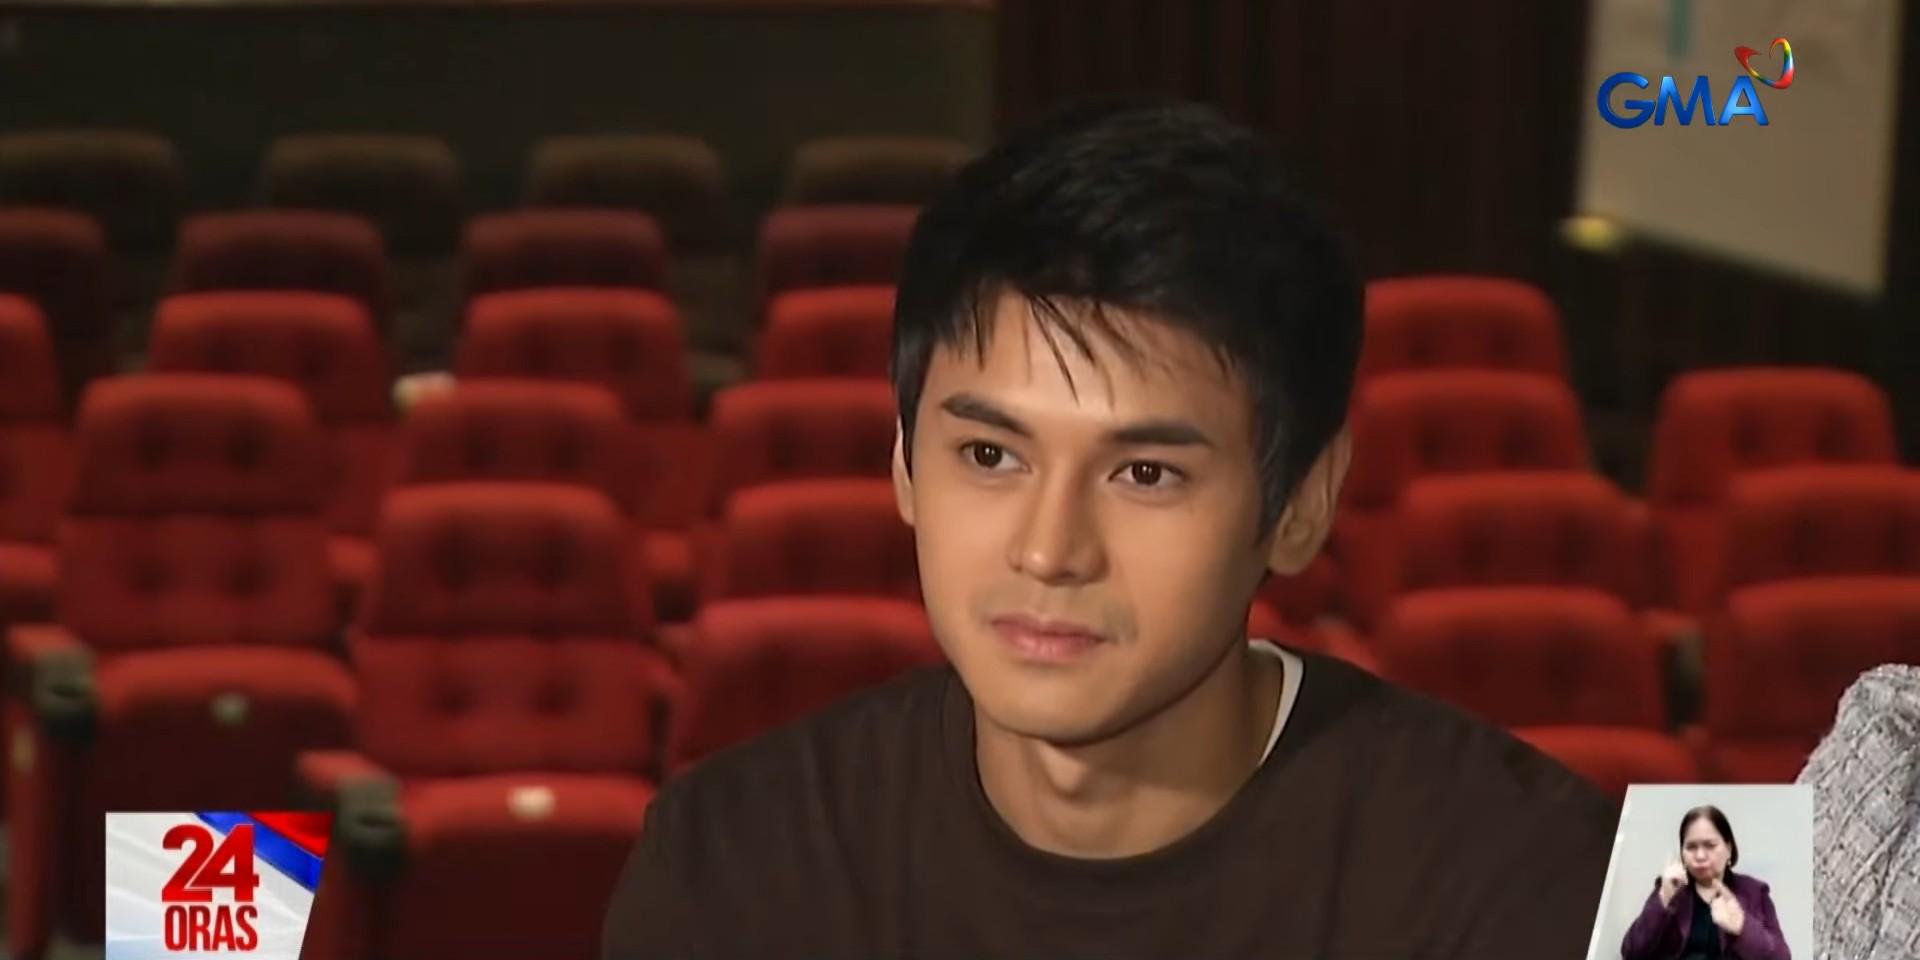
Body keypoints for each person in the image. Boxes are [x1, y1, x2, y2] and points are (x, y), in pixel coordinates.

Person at [602, 98, 1616, 959]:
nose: (1049, 551)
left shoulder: (1571, 880)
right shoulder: (726, 866)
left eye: (1145, 474)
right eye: (990, 456)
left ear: (1302, 503)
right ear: (905, 463)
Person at [1621, 805, 1791, 960]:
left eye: (1710, 845)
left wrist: (1742, 926)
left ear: (1729, 848)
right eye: (1691, 847)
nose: (1700, 856)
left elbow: (1782, 957)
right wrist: (1663, 900)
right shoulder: (1670, 889)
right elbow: (1631, 952)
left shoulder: (1754, 891)